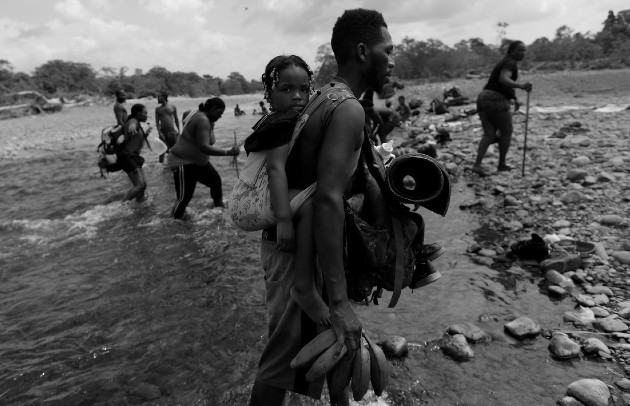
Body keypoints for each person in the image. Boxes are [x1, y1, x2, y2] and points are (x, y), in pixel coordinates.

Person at [250, 9, 397, 406]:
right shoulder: (346, 108)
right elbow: (328, 199)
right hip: (299, 251)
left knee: (323, 351)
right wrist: (337, 301)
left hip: (305, 247)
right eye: (389, 50)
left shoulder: (327, 98)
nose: (393, 59)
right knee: (279, 367)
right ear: (364, 52)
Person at [241, 55, 330, 326]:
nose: (297, 96)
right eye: (287, 89)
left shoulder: (285, 120)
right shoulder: (281, 123)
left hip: (288, 230)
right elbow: (275, 169)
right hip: (280, 236)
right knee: (282, 325)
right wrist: (284, 221)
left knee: (297, 326)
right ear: (269, 93)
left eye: (304, 89)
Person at [166, 98, 240, 219]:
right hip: (183, 161)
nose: (220, 116)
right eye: (220, 113)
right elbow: (204, 147)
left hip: (197, 163)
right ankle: (172, 223)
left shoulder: (201, 116)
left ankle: (219, 210)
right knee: (184, 198)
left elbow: (186, 114)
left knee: (215, 181)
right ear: (212, 109)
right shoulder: (202, 120)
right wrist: (228, 152)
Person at [471, 40, 532, 177]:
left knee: (489, 134)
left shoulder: (505, 61)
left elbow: (504, 85)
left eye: (524, 51)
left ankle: (477, 165)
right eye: (519, 50)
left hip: (483, 98)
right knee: (506, 131)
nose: (522, 53)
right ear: (511, 51)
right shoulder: (510, 63)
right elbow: (504, 80)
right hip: (496, 100)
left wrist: (514, 98)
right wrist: (522, 86)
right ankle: (501, 164)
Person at [118, 103, 151, 202]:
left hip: (134, 157)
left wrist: (146, 134)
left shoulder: (137, 123)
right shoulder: (133, 121)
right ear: (138, 113)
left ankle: (141, 206)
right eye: (145, 113)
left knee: (143, 185)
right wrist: (132, 126)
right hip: (127, 157)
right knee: (140, 185)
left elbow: (136, 141)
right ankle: (122, 206)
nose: (146, 115)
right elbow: (132, 125)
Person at [155, 92, 180, 164]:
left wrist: (179, 131)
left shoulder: (173, 107)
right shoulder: (158, 109)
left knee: (174, 150)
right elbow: (157, 122)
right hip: (163, 132)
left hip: (172, 132)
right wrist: (160, 133)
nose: (157, 99)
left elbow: (176, 119)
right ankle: (161, 166)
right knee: (162, 151)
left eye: (159, 97)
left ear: (164, 97)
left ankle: (173, 165)